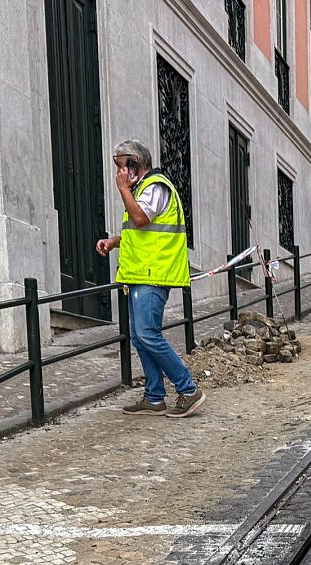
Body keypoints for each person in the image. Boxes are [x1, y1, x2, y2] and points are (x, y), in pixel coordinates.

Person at [96, 139, 206, 417]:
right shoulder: (143, 190)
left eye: (121, 166)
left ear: (134, 164)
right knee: (139, 337)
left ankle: (188, 389)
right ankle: (154, 396)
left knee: (147, 334)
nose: (119, 173)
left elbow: (142, 219)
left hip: (152, 274)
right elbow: (141, 231)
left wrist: (123, 189)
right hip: (142, 273)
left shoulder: (155, 187)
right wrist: (115, 242)